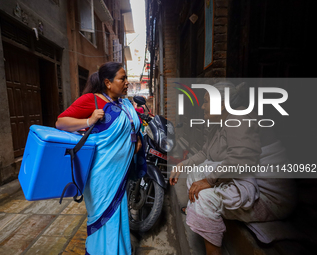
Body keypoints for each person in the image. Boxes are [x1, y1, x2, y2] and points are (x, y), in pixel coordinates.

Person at [169, 82, 296, 255]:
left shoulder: (240, 119)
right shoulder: (219, 124)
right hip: (248, 185)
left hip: (269, 199)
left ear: (222, 104)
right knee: (196, 174)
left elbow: (242, 161)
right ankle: (198, 210)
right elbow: (204, 153)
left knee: (204, 197)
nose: (202, 106)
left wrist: (209, 181)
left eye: (206, 101)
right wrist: (182, 165)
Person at [56, 62, 142, 255]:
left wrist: (138, 141)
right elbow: (60, 122)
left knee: (118, 218)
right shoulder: (92, 100)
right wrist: (89, 121)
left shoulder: (124, 104)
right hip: (101, 175)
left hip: (119, 174)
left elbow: (132, 129)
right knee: (104, 220)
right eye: (123, 78)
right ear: (108, 83)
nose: (127, 82)